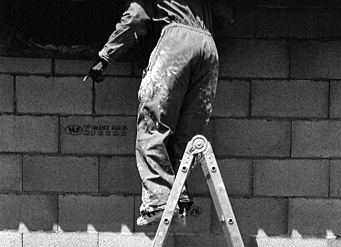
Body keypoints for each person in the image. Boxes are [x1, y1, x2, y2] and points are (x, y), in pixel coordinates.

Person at [87, 0, 234, 225]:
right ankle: (177, 195)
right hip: (208, 47)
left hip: (177, 42)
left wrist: (105, 57)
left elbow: (136, 17)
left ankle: (159, 201)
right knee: (186, 137)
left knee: (152, 125)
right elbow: (224, 13)